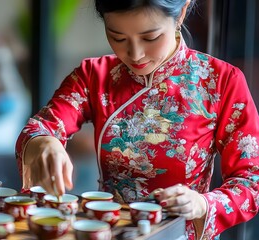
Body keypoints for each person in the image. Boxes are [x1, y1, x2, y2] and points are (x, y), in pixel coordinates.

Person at [15, 0, 259, 239]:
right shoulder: (95, 76)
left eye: (150, 38)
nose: (135, 54)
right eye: (118, 38)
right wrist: (44, 142)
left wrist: (202, 204)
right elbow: (42, 126)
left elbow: (250, 181)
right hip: (111, 230)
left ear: (182, 12)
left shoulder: (220, 81)